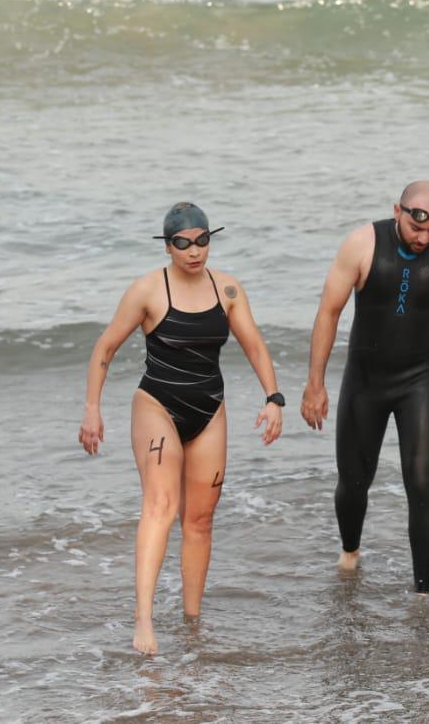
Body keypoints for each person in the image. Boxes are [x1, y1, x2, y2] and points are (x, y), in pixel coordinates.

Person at [80, 203, 285, 655]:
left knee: (200, 519)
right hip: (157, 404)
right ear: (168, 245)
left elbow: (254, 343)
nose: (194, 251)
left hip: (209, 409)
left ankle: (192, 621)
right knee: (161, 503)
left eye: (202, 240)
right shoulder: (147, 290)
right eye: (183, 243)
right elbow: (105, 347)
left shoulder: (228, 289)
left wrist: (273, 398)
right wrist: (92, 408)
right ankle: (144, 620)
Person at [301, 181, 429, 594]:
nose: (423, 239)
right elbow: (329, 312)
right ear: (398, 211)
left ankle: (423, 593)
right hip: (365, 380)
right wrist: (315, 383)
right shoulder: (361, 244)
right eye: (416, 227)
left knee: (422, 482)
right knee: (353, 482)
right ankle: (350, 552)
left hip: (419, 380)